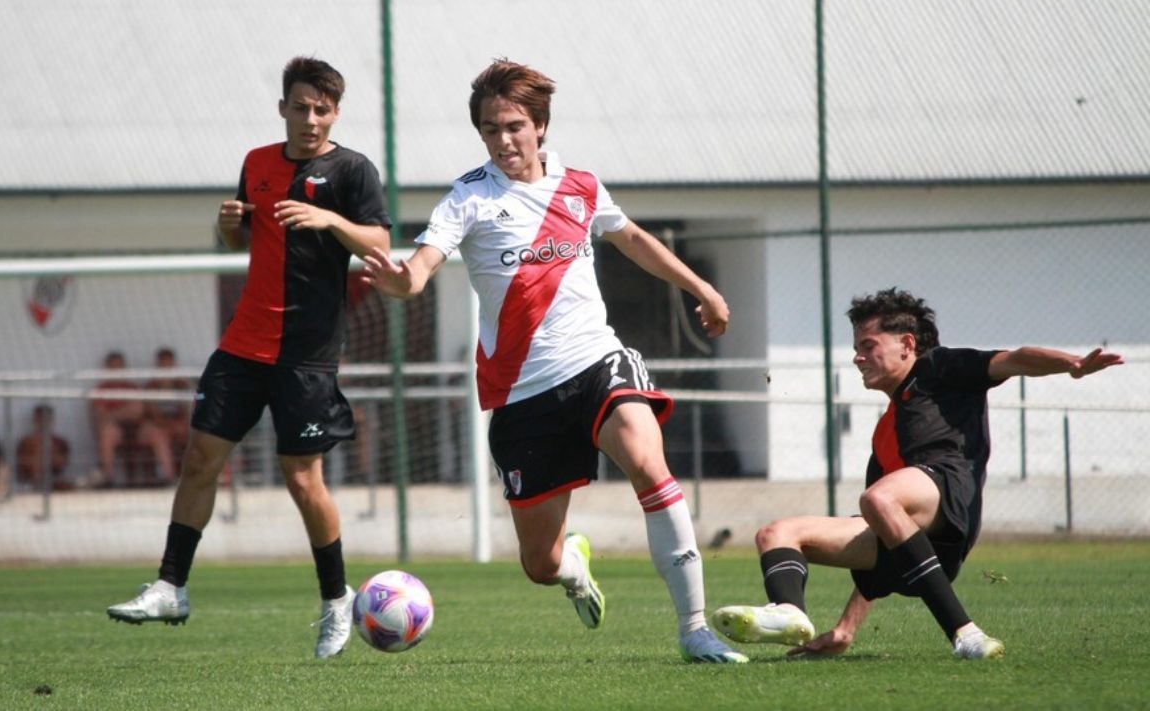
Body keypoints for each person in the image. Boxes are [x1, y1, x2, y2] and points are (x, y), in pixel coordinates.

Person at [362, 59, 744, 664]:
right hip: (522, 396)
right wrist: (400, 281)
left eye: (513, 125)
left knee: (649, 463)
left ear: (540, 126)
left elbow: (634, 239)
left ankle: (694, 629)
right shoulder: (469, 198)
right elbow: (420, 272)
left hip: (597, 363)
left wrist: (703, 289)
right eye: (490, 129)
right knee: (539, 565)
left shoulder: (581, 187)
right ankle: (573, 565)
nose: (503, 140)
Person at [107, 56, 392, 660]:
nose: (310, 118)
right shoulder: (257, 163)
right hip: (242, 344)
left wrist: (329, 218)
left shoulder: (352, 170)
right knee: (199, 459)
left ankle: (336, 601)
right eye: (300, 106)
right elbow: (240, 239)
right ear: (283, 107)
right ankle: (170, 587)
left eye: (322, 108)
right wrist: (227, 225)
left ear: (335, 113)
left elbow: (380, 242)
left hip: (306, 354)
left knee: (301, 478)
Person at [710, 287, 1123, 660]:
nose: (857, 356)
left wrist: (1071, 364)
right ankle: (789, 613)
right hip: (911, 536)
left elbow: (1014, 359)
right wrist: (846, 628)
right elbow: (885, 524)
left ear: (908, 344)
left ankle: (965, 633)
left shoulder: (937, 368)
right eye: (856, 347)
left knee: (878, 499)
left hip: (949, 500)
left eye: (868, 345)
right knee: (776, 533)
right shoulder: (886, 430)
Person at [89, 351, 176, 487]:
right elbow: (101, 416)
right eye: (114, 367)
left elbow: (138, 411)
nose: (117, 371)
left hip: (136, 427)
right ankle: (107, 478)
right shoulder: (101, 390)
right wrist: (124, 411)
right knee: (108, 433)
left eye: (120, 367)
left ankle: (168, 477)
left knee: (158, 433)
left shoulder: (132, 387)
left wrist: (117, 412)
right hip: (116, 428)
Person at [143, 347, 193, 461]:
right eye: (163, 365)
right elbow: (154, 416)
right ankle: (168, 477)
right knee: (160, 435)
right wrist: (168, 425)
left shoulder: (182, 385)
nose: (166, 368)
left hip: (177, 423)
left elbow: (186, 411)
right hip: (157, 425)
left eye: (168, 364)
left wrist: (180, 425)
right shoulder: (151, 386)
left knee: (195, 435)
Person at [15, 404, 71, 491]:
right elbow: (21, 467)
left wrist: (49, 447)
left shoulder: (60, 442)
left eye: (47, 419)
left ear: (52, 420)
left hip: (53, 481)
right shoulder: (26, 442)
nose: (43, 423)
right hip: (29, 483)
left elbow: (61, 465)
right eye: (40, 419)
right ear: (35, 420)